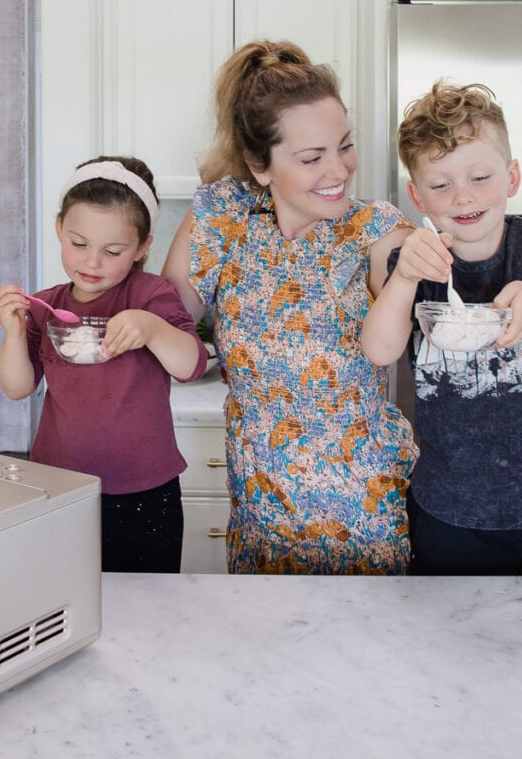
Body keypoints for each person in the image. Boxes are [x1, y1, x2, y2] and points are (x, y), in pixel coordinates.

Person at [360, 80, 522, 596]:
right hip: (448, 513)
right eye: (440, 186)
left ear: (512, 177)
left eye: (480, 177)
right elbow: (380, 350)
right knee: (451, 648)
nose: (462, 196)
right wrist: (403, 280)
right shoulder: (419, 259)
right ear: (416, 195)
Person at [162, 39, 418, 574]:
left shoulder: (374, 229)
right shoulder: (222, 223)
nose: (340, 169)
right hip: (262, 528)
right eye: (312, 157)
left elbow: (439, 287)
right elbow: (163, 322)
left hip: (366, 529)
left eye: (344, 146)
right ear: (260, 166)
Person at [0, 155, 208, 573]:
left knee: (147, 610)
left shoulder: (150, 295)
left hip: (146, 494)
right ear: (59, 230)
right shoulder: (46, 306)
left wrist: (153, 329)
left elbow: (190, 365)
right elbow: (17, 387)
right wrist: (14, 332)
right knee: (64, 600)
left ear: (142, 247)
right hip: (60, 487)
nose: (91, 262)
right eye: (79, 243)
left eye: (112, 251)